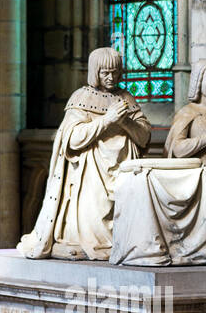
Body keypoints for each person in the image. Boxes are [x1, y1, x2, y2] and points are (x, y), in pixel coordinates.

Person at [17, 46, 151, 260]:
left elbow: (144, 137)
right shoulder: (82, 97)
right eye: (105, 72)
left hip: (124, 168)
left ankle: (121, 244)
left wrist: (124, 121)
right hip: (93, 172)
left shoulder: (126, 98)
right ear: (94, 72)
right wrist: (106, 120)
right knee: (95, 216)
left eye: (115, 72)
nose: (111, 77)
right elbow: (72, 138)